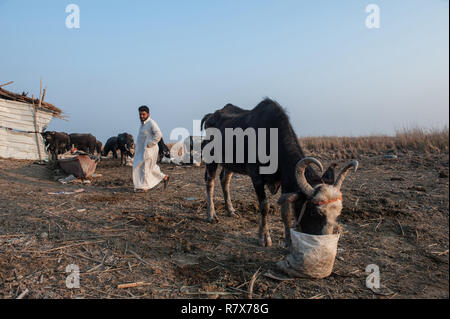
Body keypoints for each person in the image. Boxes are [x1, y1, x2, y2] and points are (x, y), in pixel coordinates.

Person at [132, 105, 169, 192]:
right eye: (140, 114)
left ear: (148, 114)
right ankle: (164, 177)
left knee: (146, 168)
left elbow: (159, 134)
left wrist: (150, 144)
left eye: (143, 114)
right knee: (149, 167)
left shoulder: (151, 123)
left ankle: (145, 187)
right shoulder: (142, 125)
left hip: (150, 150)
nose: (141, 116)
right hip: (141, 150)